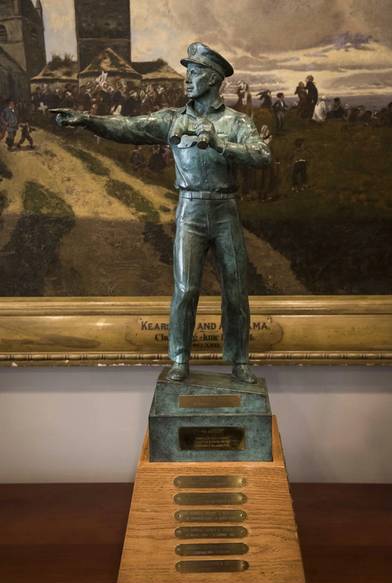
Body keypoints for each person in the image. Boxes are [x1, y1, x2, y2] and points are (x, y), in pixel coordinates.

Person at [51, 42, 271, 383]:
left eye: (195, 74)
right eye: (187, 73)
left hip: (226, 210)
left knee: (236, 288)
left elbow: (261, 156)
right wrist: (88, 121)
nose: (187, 80)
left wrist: (219, 143)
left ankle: (240, 360)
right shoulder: (171, 120)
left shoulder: (236, 122)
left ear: (213, 80)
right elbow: (128, 127)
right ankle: (180, 359)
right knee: (185, 289)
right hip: (190, 211)